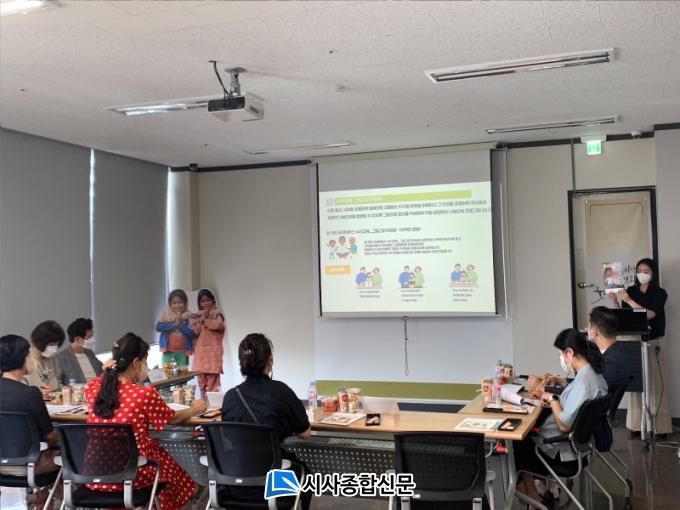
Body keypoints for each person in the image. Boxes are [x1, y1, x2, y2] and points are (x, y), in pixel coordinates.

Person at [84, 333, 207, 510]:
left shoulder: (92, 388)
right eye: (145, 361)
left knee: (161, 460)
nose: (146, 366)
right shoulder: (143, 394)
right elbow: (172, 418)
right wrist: (195, 409)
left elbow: (100, 382)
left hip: (95, 474)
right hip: (133, 474)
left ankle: (188, 491)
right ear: (136, 362)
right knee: (163, 461)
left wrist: (107, 370)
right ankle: (189, 492)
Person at [514, 329, 607, 505]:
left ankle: (532, 496)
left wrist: (551, 398)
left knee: (516, 444)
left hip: (563, 454)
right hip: (581, 448)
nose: (561, 359)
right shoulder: (593, 376)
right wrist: (555, 393)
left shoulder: (584, 382)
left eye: (560, 354)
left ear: (569, 352)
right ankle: (533, 494)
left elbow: (564, 425)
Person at [221, 333, 311, 508]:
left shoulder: (231, 397)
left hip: (235, 482)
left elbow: (229, 436)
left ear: (242, 362)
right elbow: (305, 433)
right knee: (303, 473)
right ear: (270, 361)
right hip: (275, 483)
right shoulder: (281, 392)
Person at [608, 257, 672, 436]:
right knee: (637, 384)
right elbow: (625, 315)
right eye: (639, 271)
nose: (642, 274)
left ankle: (659, 427)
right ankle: (637, 425)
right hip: (634, 340)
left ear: (653, 273)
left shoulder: (659, 293)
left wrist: (628, 300)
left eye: (646, 271)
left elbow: (649, 315)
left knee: (656, 383)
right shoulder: (630, 291)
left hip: (654, 340)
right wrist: (615, 302)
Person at [0, 335, 60, 478]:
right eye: (28, 354)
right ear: (21, 359)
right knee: (73, 455)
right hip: (28, 465)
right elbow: (50, 437)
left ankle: (46, 494)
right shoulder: (30, 394)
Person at [192, 289, 226, 395]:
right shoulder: (198, 316)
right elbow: (196, 332)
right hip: (200, 356)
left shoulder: (217, 314)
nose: (205, 303)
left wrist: (206, 320)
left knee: (212, 387)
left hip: (212, 357)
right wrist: (197, 321)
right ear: (199, 303)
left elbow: (219, 325)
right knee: (201, 384)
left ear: (213, 301)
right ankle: (203, 403)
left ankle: (212, 405)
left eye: (208, 300)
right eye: (203, 301)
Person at [156, 289, 196, 372]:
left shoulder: (189, 316)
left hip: (183, 352)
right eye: (174, 303)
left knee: (182, 375)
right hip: (168, 351)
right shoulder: (166, 315)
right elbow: (158, 327)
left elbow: (192, 333)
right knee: (167, 374)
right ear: (169, 304)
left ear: (185, 303)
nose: (177, 305)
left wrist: (180, 325)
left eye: (180, 302)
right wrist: (174, 325)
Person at [54, 318, 103, 384]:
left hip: (97, 388)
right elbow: (58, 384)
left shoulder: (90, 353)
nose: (93, 340)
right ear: (77, 339)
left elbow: (102, 371)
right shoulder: (61, 359)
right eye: (89, 337)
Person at [24, 320, 65, 396]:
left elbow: (58, 386)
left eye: (57, 344)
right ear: (40, 342)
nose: (54, 349)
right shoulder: (24, 360)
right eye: (51, 344)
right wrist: (38, 393)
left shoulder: (53, 361)